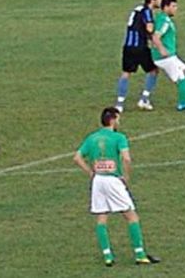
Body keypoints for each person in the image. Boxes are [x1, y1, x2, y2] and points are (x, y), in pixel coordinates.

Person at [73, 107, 160, 267]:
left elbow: (77, 158)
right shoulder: (119, 137)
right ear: (112, 120)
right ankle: (140, 254)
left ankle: (107, 256)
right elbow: (126, 159)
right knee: (131, 216)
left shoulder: (92, 138)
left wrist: (90, 172)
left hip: (98, 180)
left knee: (101, 218)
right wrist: (126, 177)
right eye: (118, 118)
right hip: (113, 180)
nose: (119, 122)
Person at [115, 0, 163, 113]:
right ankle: (144, 98)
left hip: (128, 46)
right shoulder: (147, 11)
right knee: (153, 71)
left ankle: (119, 104)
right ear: (152, 0)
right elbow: (149, 27)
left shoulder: (137, 9)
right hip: (140, 46)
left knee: (126, 73)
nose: (161, 1)